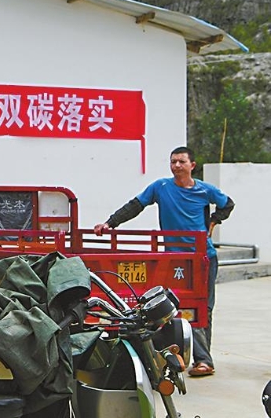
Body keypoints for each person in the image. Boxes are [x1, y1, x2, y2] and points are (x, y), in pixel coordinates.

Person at [93, 146, 233, 378]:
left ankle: (204, 361)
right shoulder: (161, 187)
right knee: (169, 306)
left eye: (181, 162)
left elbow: (228, 204)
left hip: (202, 257)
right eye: (173, 162)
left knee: (201, 307)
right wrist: (110, 223)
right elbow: (135, 205)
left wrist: (214, 221)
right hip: (172, 258)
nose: (176, 166)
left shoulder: (205, 190)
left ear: (192, 165)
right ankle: (171, 354)